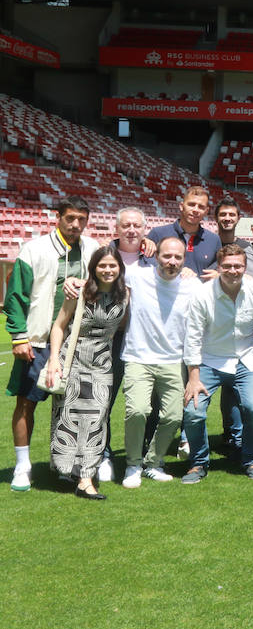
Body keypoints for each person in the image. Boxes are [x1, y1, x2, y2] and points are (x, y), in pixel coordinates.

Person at [6, 195, 99, 492]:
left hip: (79, 342)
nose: (76, 224)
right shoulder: (34, 249)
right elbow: (16, 297)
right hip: (38, 340)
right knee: (26, 403)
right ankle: (23, 466)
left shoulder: (93, 249)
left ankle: (66, 463)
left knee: (74, 408)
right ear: (57, 217)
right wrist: (19, 336)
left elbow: (114, 273)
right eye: (70, 218)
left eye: (81, 219)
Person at [182, 244, 253, 481]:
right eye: (227, 266)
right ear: (219, 267)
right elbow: (193, 337)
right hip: (209, 361)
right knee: (193, 412)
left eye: (238, 266)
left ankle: (250, 460)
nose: (232, 270)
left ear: (245, 267)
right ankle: (198, 463)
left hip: (245, 360)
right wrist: (193, 378)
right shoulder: (202, 295)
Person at [43, 246, 128, 500]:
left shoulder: (125, 295)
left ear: (120, 268)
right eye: (102, 265)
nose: (108, 270)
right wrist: (53, 361)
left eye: (113, 265)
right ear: (93, 268)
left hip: (102, 364)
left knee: (97, 419)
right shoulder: (79, 292)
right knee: (67, 416)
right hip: (73, 359)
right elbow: (59, 327)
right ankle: (70, 471)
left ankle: (86, 476)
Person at [118, 237, 196, 487]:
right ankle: (133, 464)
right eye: (167, 256)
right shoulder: (137, 276)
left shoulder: (192, 285)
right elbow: (104, 270)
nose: (172, 262)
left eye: (178, 257)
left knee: (173, 416)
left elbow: (223, 283)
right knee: (137, 411)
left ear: (184, 260)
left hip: (173, 360)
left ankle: (153, 463)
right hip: (138, 358)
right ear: (156, 256)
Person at [150, 186, 221, 277]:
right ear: (181, 206)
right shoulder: (158, 234)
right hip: (165, 290)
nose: (195, 210)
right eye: (191, 204)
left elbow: (220, 267)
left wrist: (218, 275)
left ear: (206, 211)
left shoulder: (214, 240)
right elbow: (147, 264)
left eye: (201, 207)